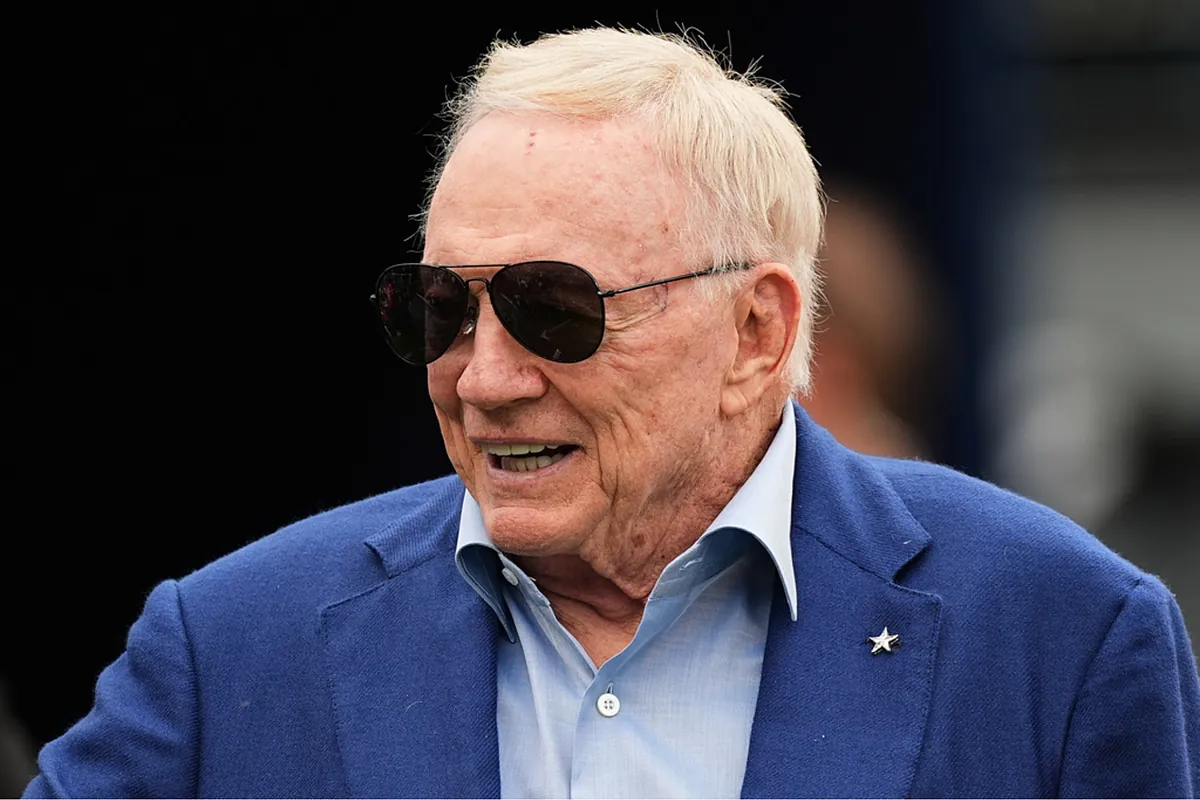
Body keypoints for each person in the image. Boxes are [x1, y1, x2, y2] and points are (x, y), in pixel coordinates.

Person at [26, 28, 1199, 799]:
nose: (483, 377)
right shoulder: (228, 646)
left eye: (554, 310)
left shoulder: (1060, 635)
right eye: (440, 308)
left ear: (758, 331)